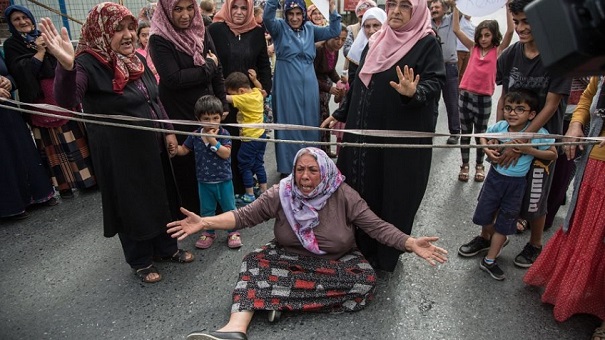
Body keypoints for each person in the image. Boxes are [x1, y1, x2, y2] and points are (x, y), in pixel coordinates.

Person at [166, 147, 448, 340]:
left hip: (334, 261)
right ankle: (234, 329)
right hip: (287, 257)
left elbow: (376, 227)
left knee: (365, 281)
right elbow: (244, 216)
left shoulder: (344, 195)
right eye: (300, 169)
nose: (304, 176)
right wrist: (205, 222)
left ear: (324, 171)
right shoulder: (282, 193)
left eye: (312, 170)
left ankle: (276, 299)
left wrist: (410, 243)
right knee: (253, 261)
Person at [40, 3, 194, 284]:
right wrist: (66, 66)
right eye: (118, 29)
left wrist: (168, 130)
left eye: (130, 28)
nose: (128, 35)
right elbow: (67, 101)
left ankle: (166, 248)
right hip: (121, 153)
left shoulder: (134, 58)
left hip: (153, 145)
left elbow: (153, 98)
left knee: (161, 195)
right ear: (102, 31)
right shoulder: (87, 62)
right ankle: (140, 260)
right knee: (132, 203)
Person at [322, 0, 445, 272]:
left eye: (405, 6)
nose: (396, 11)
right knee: (356, 188)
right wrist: (341, 113)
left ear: (417, 11)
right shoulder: (377, 38)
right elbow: (359, 82)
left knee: (392, 192)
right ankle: (355, 246)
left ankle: (385, 255)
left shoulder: (426, 43)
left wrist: (415, 92)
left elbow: (436, 82)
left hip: (396, 141)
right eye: (392, 4)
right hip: (362, 135)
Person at [524, 76, 605, 340]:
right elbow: (587, 97)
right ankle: (579, 292)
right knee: (585, 231)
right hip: (594, 163)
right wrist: (577, 125)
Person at [492, 0, 571, 268]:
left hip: (541, 142)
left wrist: (523, 140)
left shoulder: (558, 56)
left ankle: (535, 243)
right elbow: (502, 99)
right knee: (501, 188)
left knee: (536, 195)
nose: (521, 28)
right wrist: (498, 137)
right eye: (516, 22)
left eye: (527, 21)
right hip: (511, 137)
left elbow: (551, 104)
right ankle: (491, 236)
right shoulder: (509, 56)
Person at [458, 90, 557, 281]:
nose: (512, 113)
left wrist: (530, 149)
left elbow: (553, 154)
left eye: (520, 109)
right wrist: (487, 148)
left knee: (505, 224)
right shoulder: (501, 127)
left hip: (516, 186)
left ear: (532, 114)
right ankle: (496, 239)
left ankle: (490, 260)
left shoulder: (537, 134)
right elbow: (482, 136)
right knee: (482, 217)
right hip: (494, 180)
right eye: (509, 108)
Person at [3, 5, 96, 200]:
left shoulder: (44, 36)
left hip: (61, 97)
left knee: (74, 137)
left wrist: (51, 48)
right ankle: (64, 186)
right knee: (52, 146)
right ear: (11, 25)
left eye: (24, 17)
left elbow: (64, 63)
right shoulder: (12, 45)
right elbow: (22, 72)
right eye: (16, 20)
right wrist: (39, 52)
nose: (22, 22)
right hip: (40, 104)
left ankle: (87, 181)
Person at [149, 0, 229, 213]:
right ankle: (193, 211)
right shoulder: (159, 38)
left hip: (207, 109)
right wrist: (207, 67)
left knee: (214, 153)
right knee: (188, 161)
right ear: (167, 10)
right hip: (179, 110)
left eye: (189, 8)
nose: (185, 15)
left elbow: (217, 67)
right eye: (178, 9)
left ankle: (218, 210)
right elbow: (173, 78)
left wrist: (221, 101)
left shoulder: (200, 29)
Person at [263, 0, 342, 176]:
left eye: (299, 14)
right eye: (291, 14)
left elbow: (334, 31)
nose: (295, 18)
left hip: (309, 83)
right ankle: (288, 166)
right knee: (288, 121)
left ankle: (310, 164)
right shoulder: (279, 28)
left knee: (309, 120)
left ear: (304, 14)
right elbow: (267, 17)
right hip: (286, 82)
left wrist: (332, 11)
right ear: (285, 14)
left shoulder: (310, 29)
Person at [208, 0, 272, 200]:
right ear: (227, 7)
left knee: (247, 147)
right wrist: (218, 97)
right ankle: (229, 189)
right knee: (227, 141)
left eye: (244, 8)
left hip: (247, 102)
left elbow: (264, 66)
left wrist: (265, 91)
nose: (239, 12)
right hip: (224, 98)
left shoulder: (256, 32)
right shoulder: (215, 30)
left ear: (250, 10)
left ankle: (247, 188)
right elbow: (210, 62)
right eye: (235, 7)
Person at [452, 3, 513, 182]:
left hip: (483, 99)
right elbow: (456, 29)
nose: (483, 39)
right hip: (465, 96)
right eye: (480, 35)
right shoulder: (473, 48)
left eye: (487, 35)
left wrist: (509, 7)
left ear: (494, 36)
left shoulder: (498, 51)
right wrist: (456, 6)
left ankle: (480, 165)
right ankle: (464, 165)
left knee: (480, 136)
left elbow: (510, 32)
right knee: (465, 134)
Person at [173, 95, 242, 249]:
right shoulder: (195, 135)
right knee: (207, 209)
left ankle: (233, 231)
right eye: (206, 119)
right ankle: (208, 232)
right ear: (198, 119)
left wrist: (213, 141)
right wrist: (173, 149)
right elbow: (184, 150)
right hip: (204, 181)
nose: (211, 123)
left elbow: (226, 154)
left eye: (215, 118)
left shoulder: (223, 134)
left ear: (221, 117)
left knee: (229, 207)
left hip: (224, 180)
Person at [0, 52, 57, 220]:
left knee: (21, 150)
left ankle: (36, 196)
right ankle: (10, 206)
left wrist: (8, 82)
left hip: (8, 110)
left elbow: (11, 73)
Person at [224, 70, 268, 204]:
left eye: (232, 92)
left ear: (241, 91)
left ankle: (249, 194)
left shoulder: (243, 98)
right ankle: (264, 190)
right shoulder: (256, 93)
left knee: (244, 165)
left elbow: (226, 98)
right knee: (259, 163)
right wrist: (255, 80)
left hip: (249, 138)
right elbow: (260, 88)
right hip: (261, 135)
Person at [313, 24, 347, 157]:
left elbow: (331, 70)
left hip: (325, 87)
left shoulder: (335, 50)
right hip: (315, 88)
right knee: (321, 119)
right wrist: (329, 89)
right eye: (337, 38)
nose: (339, 43)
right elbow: (312, 75)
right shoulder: (319, 49)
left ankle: (325, 150)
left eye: (343, 40)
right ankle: (319, 151)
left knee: (325, 117)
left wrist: (339, 81)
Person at [430, 0, 461, 145]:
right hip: (432, 68)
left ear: (444, 9)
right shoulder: (426, 23)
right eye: (432, 7)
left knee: (452, 101)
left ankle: (455, 132)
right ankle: (429, 131)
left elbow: (458, 9)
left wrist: (452, 3)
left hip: (450, 66)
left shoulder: (451, 20)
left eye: (437, 7)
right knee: (431, 101)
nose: (434, 9)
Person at [345, 7, 387, 82]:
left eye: (376, 25)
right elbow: (353, 81)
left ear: (384, 26)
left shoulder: (393, 48)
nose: (371, 30)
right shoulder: (357, 51)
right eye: (367, 26)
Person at [342, 0, 377, 77]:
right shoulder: (351, 29)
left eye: (367, 14)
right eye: (361, 16)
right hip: (353, 70)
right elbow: (346, 50)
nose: (364, 17)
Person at [455, 11, 475, 82]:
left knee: (463, 74)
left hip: (468, 52)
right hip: (459, 50)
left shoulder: (473, 25)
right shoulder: (461, 20)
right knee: (456, 73)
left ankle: (460, 91)